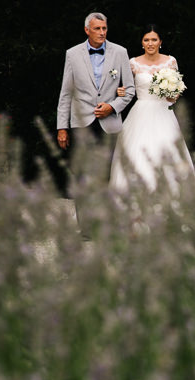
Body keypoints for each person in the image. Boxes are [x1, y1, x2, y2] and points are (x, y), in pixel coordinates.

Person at [56, 12, 135, 222]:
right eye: (97, 28)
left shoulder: (120, 52)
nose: (102, 32)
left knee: (108, 176)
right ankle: (86, 227)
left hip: (110, 125)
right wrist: (62, 127)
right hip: (81, 123)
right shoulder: (72, 54)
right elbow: (66, 93)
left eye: (104, 28)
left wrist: (112, 106)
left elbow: (130, 90)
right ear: (87, 30)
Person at [109, 25, 195, 194]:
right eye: (146, 40)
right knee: (138, 151)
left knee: (167, 148)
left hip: (164, 112)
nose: (150, 43)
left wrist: (169, 91)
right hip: (140, 112)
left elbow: (174, 96)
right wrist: (119, 91)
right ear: (142, 43)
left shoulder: (170, 61)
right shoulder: (133, 63)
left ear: (160, 42)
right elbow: (125, 89)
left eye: (154, 39)